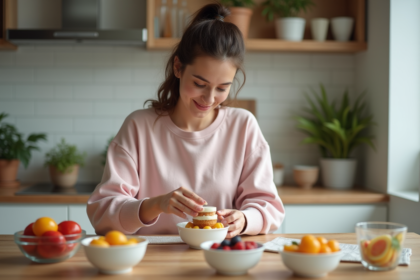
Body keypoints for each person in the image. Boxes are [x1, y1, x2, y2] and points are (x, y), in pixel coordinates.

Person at [87, 3, 285, 238]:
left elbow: (269, 207)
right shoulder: (139, 127)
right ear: (178, 67)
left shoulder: (243, 126)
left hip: (220, 261)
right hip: (151, 261)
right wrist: (155, 205)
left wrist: (244, 220)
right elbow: (101, 214)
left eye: (222, 88)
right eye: (200, 84)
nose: (209, 98)